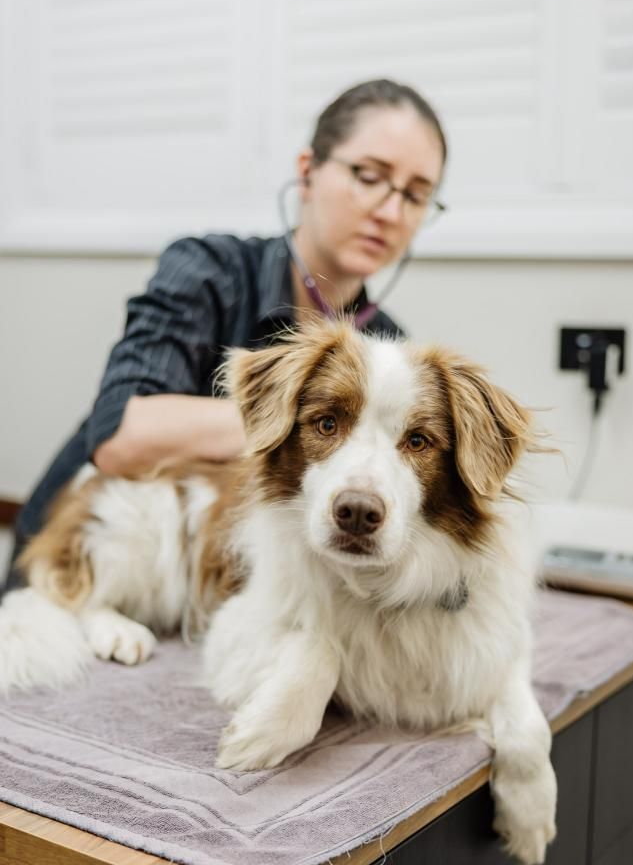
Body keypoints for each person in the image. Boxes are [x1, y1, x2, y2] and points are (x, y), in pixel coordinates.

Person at [4, 78, 448, 592]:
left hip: (206, 586)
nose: (390, 212)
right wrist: (297, 419)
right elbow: (121, 437)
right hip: (77, 563)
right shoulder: (207, 273)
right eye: (369, 176)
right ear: (307, 173)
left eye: (417, 196)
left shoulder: (388, 346)